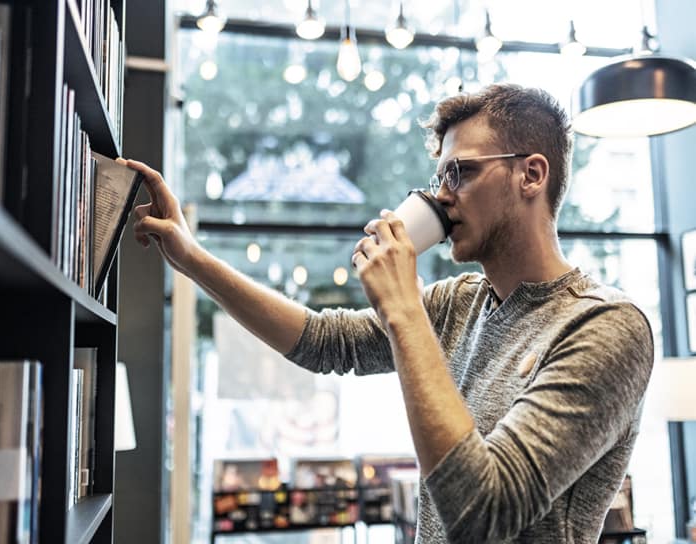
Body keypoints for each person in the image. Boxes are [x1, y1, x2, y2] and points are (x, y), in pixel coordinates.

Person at [127, 83, 654, 543]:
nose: (442, 196)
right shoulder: (459, 302)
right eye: (439, 176)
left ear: (531, 175)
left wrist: (403, 310)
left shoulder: (606, 327)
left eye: (461, 173)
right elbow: (322, 342)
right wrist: (191, 259)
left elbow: (484, 513)